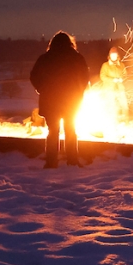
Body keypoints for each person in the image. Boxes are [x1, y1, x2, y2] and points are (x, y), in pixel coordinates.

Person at [30, 31, 89, 168]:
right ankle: (72, 161)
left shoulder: (45, 58)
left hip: (51, 101)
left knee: (52, 132)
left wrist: (41, 88)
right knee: (70, 130)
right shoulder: (77, 58)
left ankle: (51, 162)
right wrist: (79, 91)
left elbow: (34, 76)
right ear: (70, 43)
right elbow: (84, 78)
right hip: (71, 101)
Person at [99, 47, 128, 121]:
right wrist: (113, 80)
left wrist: (122, 79)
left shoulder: (121, 65)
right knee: (112, 106)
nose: (114, 56)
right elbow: (102, 76)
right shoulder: (105, 65)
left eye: (115, 55)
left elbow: (125, 75)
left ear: (117, 55)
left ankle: (125, 120)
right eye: (112, 55)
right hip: (109, 89)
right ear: (109, 56)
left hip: (120, 88)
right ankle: (112, 121)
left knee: (124, 105)